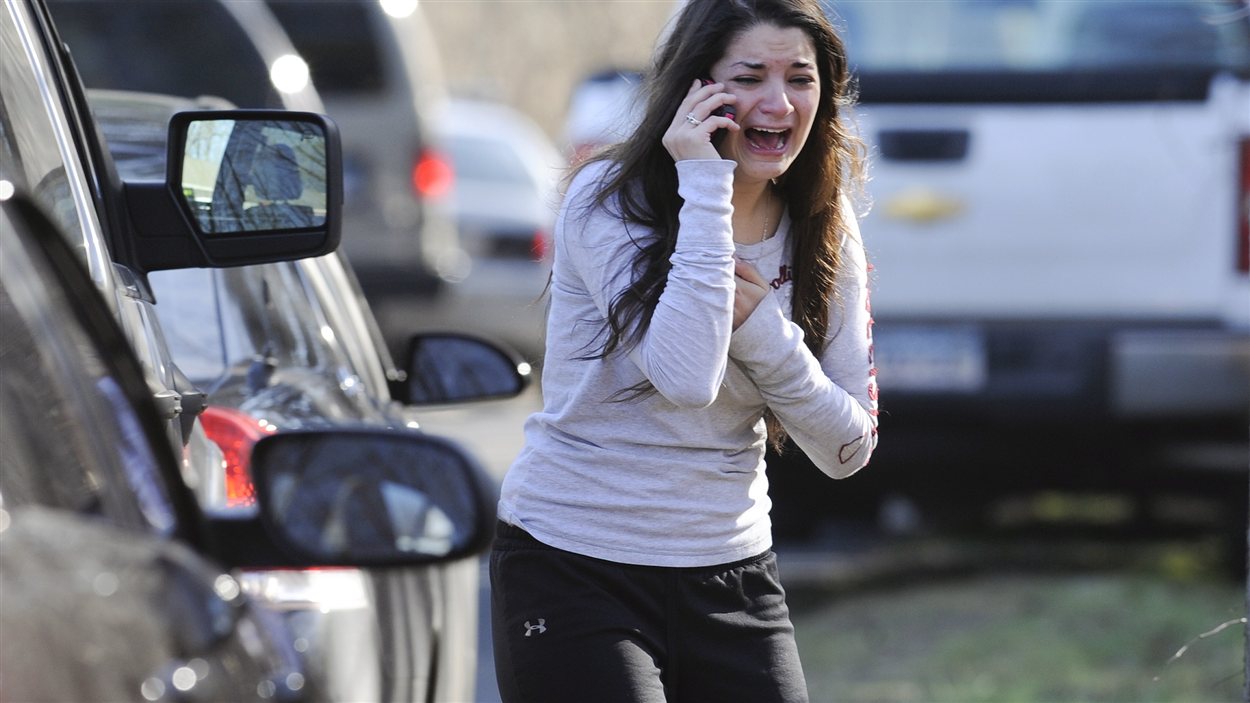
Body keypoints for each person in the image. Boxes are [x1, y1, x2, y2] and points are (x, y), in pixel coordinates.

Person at [490, 1, 877, 701]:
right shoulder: (605, 203)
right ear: (696, 89)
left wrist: (766, 335)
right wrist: (705, 184)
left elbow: (848, 448)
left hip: (732, 571)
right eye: (750, 76)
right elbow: (685, 375)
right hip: (575, 562)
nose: (777, 101)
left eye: (799, 78)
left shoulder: (825, 224)